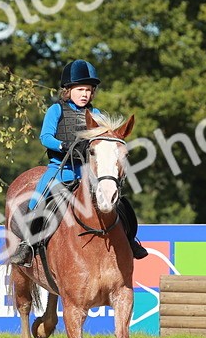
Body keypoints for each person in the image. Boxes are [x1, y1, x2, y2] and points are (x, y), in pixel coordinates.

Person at [8, 59, 149, 265]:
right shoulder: (56, 110)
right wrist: (63, 146)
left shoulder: (97, 114)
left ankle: (130, 240)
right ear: (68, 90)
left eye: (89, 90)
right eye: (80, 89)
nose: (85, 94)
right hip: (60, 169)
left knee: (122, 205)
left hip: (86, 173)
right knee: (35, 201)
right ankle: (27, 245)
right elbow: (45, 137)